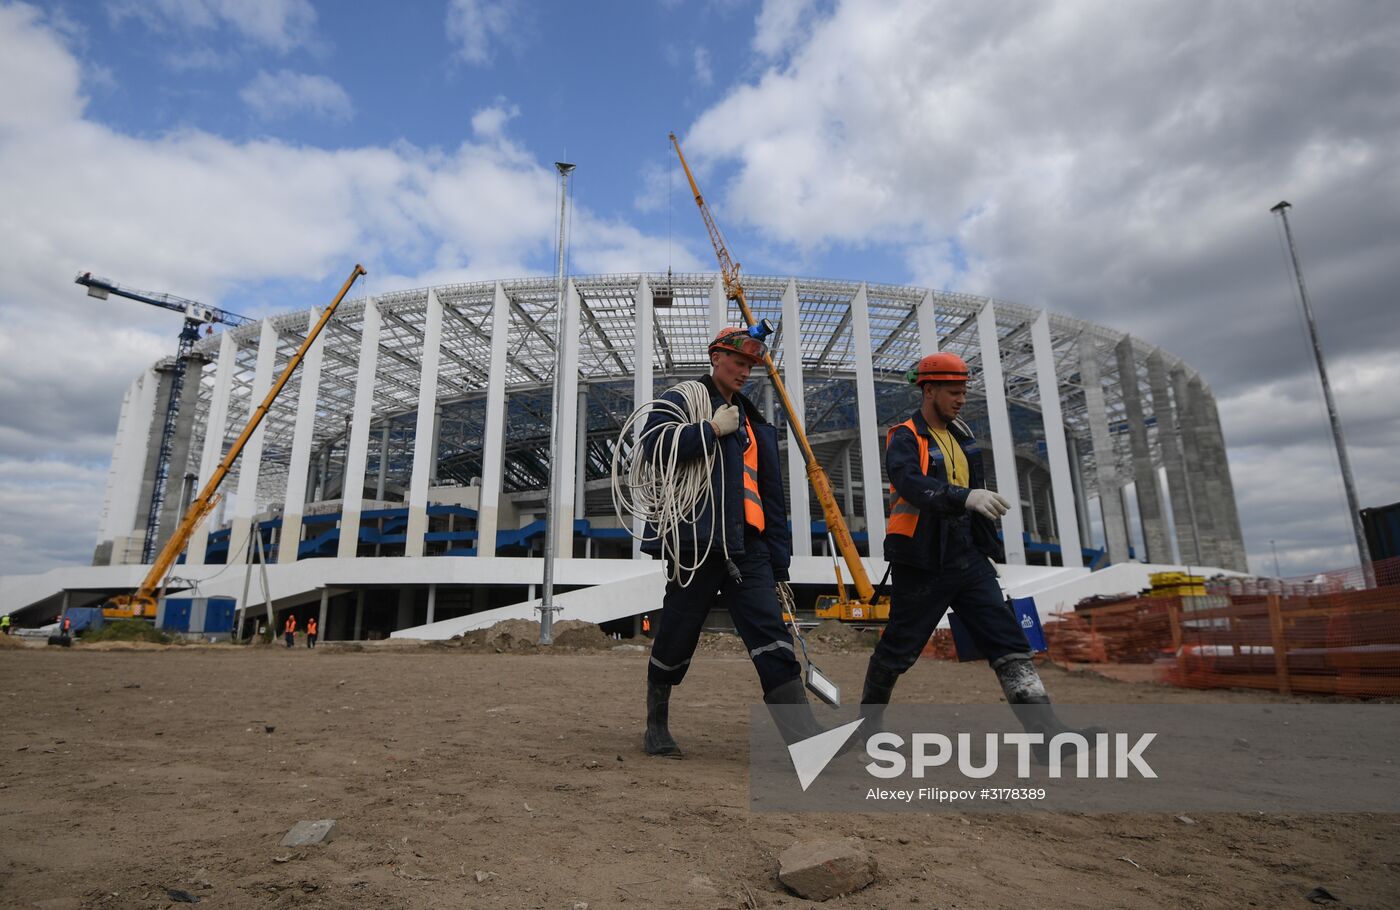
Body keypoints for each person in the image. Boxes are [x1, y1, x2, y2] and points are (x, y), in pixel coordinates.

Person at [859, 353, 1084, 754]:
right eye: (953, 392)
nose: (961, 400)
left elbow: (971, 495)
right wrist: (965, 497)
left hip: (968, 558)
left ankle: (1047, 737)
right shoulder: (905, 435)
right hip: (922, 559)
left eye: (964, 392)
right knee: (897, 649)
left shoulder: (963, 436)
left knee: (1007, 640)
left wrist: (986, 545)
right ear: (929, 390)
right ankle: (868, 726)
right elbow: (910, 482)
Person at [639, 326, 823, 757]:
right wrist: (709, 430)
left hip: (749, 548)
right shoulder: (682, 399)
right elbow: (651, 446)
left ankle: (805, 740)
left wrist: (780, 565)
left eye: (750, 366)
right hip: (695, 543)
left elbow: (771, 499)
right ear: (715, 358)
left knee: (770, 633)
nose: (744, 372)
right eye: (738, 362)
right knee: (677, 633)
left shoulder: (755, 424)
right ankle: (656, 726)